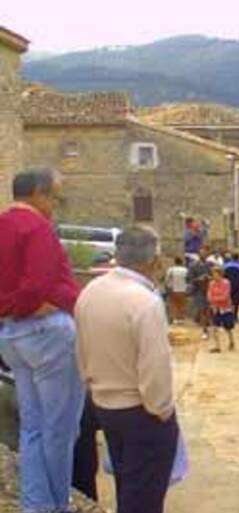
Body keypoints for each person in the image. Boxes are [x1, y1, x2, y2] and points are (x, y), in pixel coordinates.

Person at [75, 225, 178, 513]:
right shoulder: (145, 302)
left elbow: (80, 350)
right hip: (141, 411)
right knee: (144, 497)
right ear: (153, 261)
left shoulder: (90, 293)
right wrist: (162, 409)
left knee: (128, 487)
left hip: (105, 405)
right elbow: (155, 367)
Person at [0, 168, 86, 513]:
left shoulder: (2, 224)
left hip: (11, 335)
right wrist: (27, 306)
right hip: (45, 331)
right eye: (54, 196)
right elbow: (38, 283)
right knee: (61, 428)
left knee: (33, 426)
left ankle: (35, 504)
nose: (55, 203)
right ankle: (54, 504)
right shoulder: (36, 228)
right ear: (36, 193)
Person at [207, 267, 236, 352]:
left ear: (220, 274)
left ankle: (231, 341)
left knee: (228, 327)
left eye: (216, 274)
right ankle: (217, 346)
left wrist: (214, 299)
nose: (214, 276)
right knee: (215, 327)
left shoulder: (226, 283)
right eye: (213, 274)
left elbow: (225, 296)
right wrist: (213, 300)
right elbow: (209, 294)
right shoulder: (211, 284)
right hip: (216, 308)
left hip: (225, 308)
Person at [188, 247, 212, 339]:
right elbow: (189, 278)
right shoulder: (193, 265)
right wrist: (199, 279)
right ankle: (204, 329)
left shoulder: (211, 265)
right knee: (202, 310)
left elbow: (216, 275)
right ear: (199, 254)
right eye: (202, 253)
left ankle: (208, 326)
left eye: (205, 253)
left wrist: (209, 277)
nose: (203, 255)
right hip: (199, 290)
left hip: (210, 289)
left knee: (208, 310)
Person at [223, 252, 239, 322]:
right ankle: (235, 317)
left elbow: (223, 276)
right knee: (236, 302)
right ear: (238, 258)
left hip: (227, 286)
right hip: (237, 287)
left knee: (227, 302)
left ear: (231, 257)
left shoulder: (226, 266)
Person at [165, 256, 189, 323]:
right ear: (181, 262)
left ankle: (175, 318)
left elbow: (167, 279)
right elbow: (188, 279)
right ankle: (181, 318)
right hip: (183, 289)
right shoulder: (185, 270)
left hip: (174, 289)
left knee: (174, 304)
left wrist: (168, 287)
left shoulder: (171, 270)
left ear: (174, 262)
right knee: (182, 304)